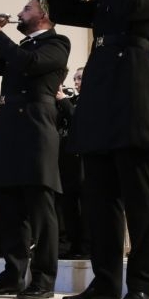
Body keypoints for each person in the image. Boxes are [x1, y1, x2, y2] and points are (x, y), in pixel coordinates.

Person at [46, 0, 149, 299]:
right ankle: (104, 284)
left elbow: (129, 6)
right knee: (99, 198)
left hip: (131, 86)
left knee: (137, 195)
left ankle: (141, 287)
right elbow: (62, 9)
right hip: (100, 89)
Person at [0, 0, 70, 299]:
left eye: (27, 8)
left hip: (36, 126)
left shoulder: (58, 42)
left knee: (40, 208)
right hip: (10, 128)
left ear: (44, 15)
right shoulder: (19, 47)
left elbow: (32, 64)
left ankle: (43, 278)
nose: (20, 13)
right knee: (9, 207)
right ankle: (12, 275)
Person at [56, 66, 88, 259]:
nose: (76, 82)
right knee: (68, 206)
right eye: (75, 79)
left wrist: (64, 102)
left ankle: (85, 247)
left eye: (80, 78)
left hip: (83, 159)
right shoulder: (71, 100)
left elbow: (80, 120)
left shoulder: (91, 99)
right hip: (66, 159)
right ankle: (72, 244)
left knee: (84, 206)